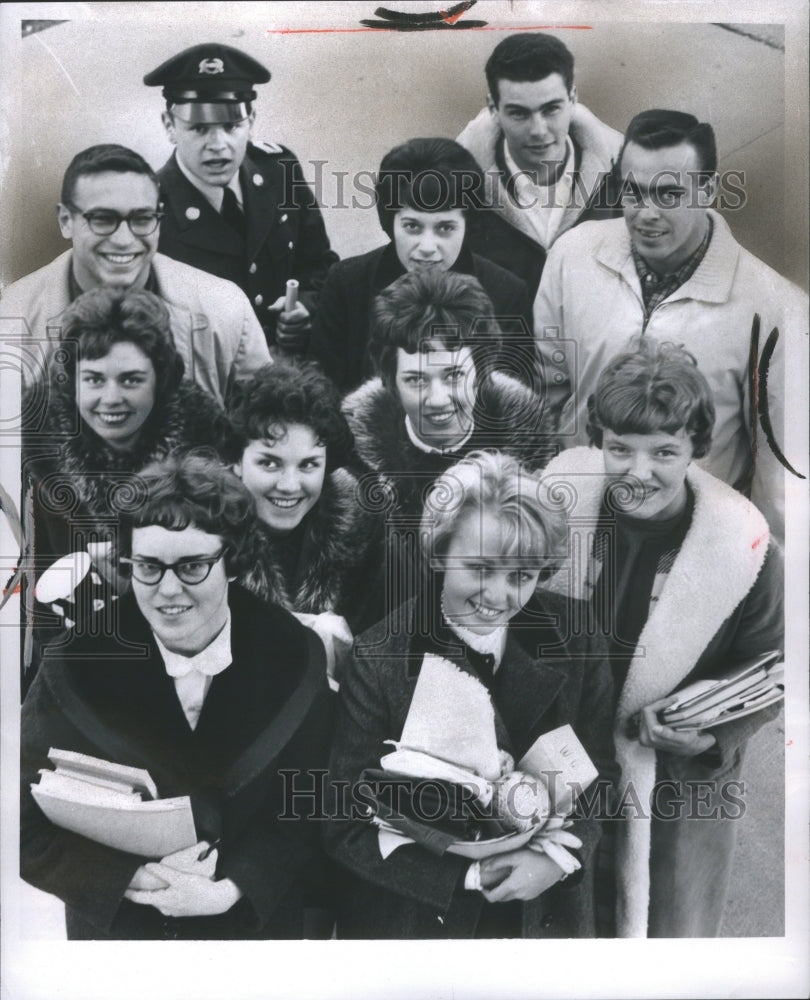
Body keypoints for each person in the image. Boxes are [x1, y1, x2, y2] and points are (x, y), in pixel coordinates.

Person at [20, 452, 333, 940]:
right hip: (123, 944)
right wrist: (131, 879)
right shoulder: (75, 662)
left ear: (235, 562)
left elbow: (310, 807)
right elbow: (18, 821)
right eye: (147, 566)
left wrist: (233, 886)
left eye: (191, 567)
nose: (168, 591)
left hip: (252, 937)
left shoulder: (295, 656)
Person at [539, 341, 784, 937]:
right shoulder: (553, 504)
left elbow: (774, 668)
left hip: (677, 796)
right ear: (597, 439)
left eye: (664, 452)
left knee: (667, 946)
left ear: (697, 449)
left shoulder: (746, 547)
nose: (637, 472)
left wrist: (708, 734)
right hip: (556, 774)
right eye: (619, 449)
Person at [323, 449, 616, 938]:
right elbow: (344, 823)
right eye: (480, 568)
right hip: (424, 919)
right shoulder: (381, 658)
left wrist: (563, 858)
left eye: (521, 576)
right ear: (439, 552)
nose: (498, 597)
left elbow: (600, 773)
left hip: (544, 916)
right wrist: (469, 874)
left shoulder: (576, 635)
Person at [534, 109, 809, 541]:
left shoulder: (776, 308)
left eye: (667, 195)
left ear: (708, 191)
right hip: (576, 524)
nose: (646, 213)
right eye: (634, 191)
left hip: (690, 542)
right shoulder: (571, 255)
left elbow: (782, 478)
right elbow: (548, 394)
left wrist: (757, 574)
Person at [2, 144, 270, 405]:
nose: (123, 239)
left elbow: (268, 427)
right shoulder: (11, 318)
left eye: (142, 219)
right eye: (103, 219)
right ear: (65, 221)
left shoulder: (224, 307)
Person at [144, 42, 338, 351]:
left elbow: (319, 266)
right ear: (170, 126)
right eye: (198, 128)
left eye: (232, 126)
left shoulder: (279, 170)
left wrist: (304, 308)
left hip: (286, 371)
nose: (218, 144)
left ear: (251, 121)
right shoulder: (148, 205)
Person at [307, 137, 533, 393]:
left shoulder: (506, 293)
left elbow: (510, 406)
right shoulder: (347, 283)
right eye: (412, 226)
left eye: (445, 228)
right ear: (390, 220)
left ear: (468, 225)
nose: (427, 246)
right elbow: (323, 395)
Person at [225, 360, 384, 682]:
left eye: (309, 465)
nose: (289, 485)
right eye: (270, 463)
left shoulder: (365, 534)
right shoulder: (203, 534)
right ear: (236, 462)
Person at [457, 32, 622, 299]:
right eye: (519, 113)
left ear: (573, 98)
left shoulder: (624, 178)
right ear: (493, 108)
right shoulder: (458, 190)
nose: (538, 130)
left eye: (551, 109)